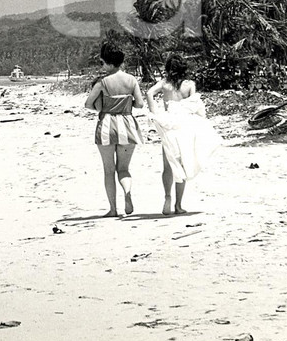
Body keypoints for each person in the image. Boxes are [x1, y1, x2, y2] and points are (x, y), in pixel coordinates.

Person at [147, 54, 222, 215]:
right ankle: (178, 205)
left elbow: (149, 93)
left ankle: (167, 196)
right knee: (182, 164)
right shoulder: (189, 85)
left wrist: (155, 113)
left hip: (168, 126)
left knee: (168, 165)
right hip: (185, 127)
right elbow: (195, 104)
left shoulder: (165, 83)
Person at [85, 44, 146, 217]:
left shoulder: (102, 82)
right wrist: (126, 104)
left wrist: (104, 107)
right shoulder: (131, 80)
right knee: (124, 169)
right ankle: (127, 191)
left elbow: (88, 104)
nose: (102, 66)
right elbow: (140, 104)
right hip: (127, 125)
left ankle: (113, 209)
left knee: (109, 170)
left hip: (106, 125)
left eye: (103, 63)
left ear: (110, 64)